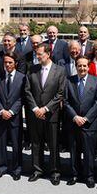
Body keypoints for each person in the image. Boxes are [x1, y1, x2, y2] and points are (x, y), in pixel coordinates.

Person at [25, 43, 66, 186]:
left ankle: (55, 172)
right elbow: (27, 90)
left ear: (48, 54)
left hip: (51, 114)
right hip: (35, 114)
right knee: (36, 143)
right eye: (36, 54)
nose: (37, 56)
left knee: (53, 144)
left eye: (40, 54)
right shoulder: (32, 70)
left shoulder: (60, 70)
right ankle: (37, 170)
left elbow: (60, 93)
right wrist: (36, 109)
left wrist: (46, 109)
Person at [64, 56, 97, 188]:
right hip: (73, 122)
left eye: (84, 66)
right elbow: (65, 101)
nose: (82, 68)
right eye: (79, 66)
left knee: (88, 152)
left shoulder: (96, 81)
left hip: (89, 123)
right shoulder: (69, 81)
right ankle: (75, 174)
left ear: (89, 67)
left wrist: (87, 118)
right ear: (76, 66)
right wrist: (75, 117)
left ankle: (89, 176)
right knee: (74, 151)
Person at [0, 52, 26, 181]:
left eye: (10, 62)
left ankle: (17, 169)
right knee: (2, 142)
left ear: (15, 63)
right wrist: (1, 110)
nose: (7, 65)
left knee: (16, 143)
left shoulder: (22, 77)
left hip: (15, 116)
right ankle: (2, 167)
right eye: (5, 62)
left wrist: (11, 111)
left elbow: (22, 97)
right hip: (1, 115)